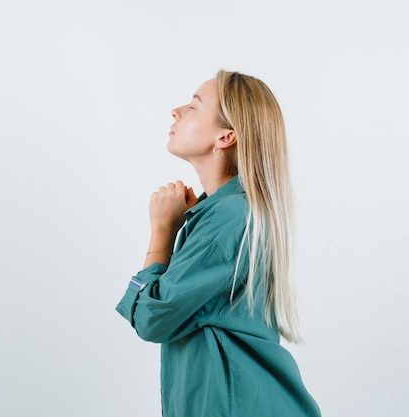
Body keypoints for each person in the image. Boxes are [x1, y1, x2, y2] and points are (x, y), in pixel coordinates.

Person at [116, 70, 321, 417]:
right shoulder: (225, 212)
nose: (176, 111)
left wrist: (161, 234)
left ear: (226, 136)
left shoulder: (228, 217)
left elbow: (153, 319)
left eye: (194, 106)